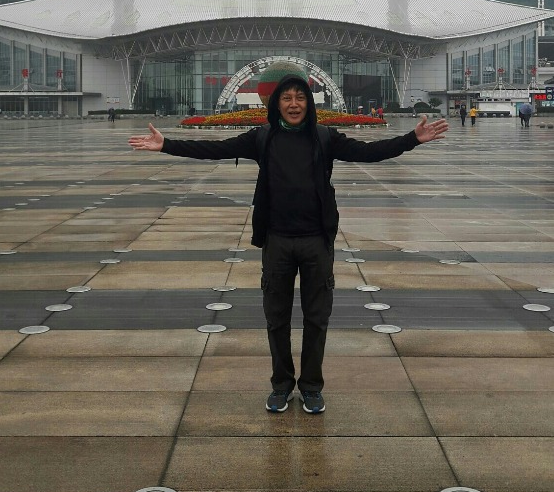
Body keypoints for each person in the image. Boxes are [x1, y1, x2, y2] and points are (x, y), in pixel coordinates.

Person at [128, 63, 448, 415]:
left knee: (316, 319)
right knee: (276, 319)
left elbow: (368, 151)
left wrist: (411, 140)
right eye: (287, 98)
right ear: (276, 103)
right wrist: (167, 145)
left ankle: (311, 387)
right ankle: (281, 385)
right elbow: (213, 149)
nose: (294, 104)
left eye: (300, 98)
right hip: (277, 242)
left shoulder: (325, 138)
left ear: (308, 104)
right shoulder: (262, 138)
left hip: (316, 243)